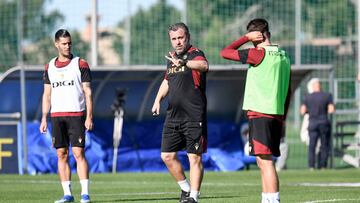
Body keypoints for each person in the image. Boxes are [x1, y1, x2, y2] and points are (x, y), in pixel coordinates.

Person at [220, 18, 291, 203]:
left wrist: (244, 38)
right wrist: (283, 117)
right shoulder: (283, 55)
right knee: (262, 160)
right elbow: (288, 90)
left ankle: (273, 200)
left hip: (260, 112)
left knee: (266, 162)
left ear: (256, 36)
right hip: (275, 114)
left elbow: (225, 52)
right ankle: (266, 199)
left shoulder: (258, 53)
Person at [151, 22, 209, 203]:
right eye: (174, 39)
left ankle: (194, 197)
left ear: (188, 37)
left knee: (194, 157)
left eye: (180, 38)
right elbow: (167, 81)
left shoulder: (195, 54)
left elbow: (203, 66)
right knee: (166, 156)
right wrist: (157, 100)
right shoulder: (171, 59)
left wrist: (184, 62)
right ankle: (185, 189)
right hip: (173, 116)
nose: (177, 42)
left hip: (194, 115)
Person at [39, 29, 93, 203]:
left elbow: (88, 92)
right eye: (64, 43)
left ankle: (85, 194)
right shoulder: (49, 67)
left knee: (78, 153)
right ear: (56, 44)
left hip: (76, 115)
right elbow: (47, 94)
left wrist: (89, 116)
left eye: (69, 43)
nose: (67, 46)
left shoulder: (80, 64)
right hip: (57, 116)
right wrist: (44, 117)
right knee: (61, 154)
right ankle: (67, 195)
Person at [300, 78, 335, 170]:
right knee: (324, 145)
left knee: (312, 145)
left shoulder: (307, 97)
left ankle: (311, 166)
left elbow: (302, 111)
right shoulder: (327, 95)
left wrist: (310, 111)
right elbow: (331, 110)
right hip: (324, 122)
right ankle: (323, 165)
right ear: (320, 85)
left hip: (312, 123)